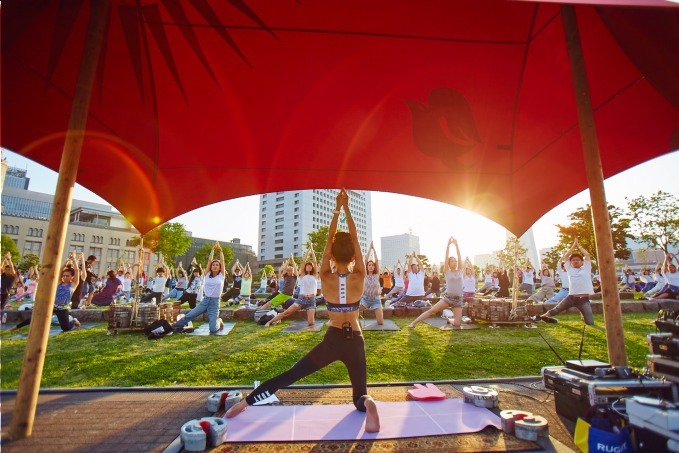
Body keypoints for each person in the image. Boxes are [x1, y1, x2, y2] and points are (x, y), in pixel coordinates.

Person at [227, 189, 380, 433]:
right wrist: (347, 209)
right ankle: (368, 403)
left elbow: (331, 238)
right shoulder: (360, 275)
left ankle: (244, 403)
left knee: (290, 375)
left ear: (332, 255)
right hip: (355, 340)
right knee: (359, 395)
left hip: (333, 339)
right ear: (353, 256)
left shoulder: (325, 276)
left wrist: (336, 210)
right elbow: (354, 236)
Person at [409, 237, 464, 328]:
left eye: (455, 261)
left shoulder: (460, 271)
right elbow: (446, 257)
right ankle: (413, 323)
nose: (454, 262)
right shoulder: (447, 271)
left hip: (458, 299)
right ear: (448, 263)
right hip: (448, 298)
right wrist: (448, 245)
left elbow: (459, 255)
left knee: (457, 324)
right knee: (432, 311)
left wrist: (456, 244)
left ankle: (449, 319)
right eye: (452, 261)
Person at [172, 242, 225, 334]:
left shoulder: (221, 275)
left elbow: (222, 261)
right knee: (190, 315)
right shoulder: (207, 274)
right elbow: (209, 261)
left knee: (213, 330)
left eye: (217, 265)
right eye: (213, 265)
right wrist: (212, 250)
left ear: (220, 268)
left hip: (215, 302)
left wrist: (220, 250)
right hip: (205, 301)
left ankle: (218, 321)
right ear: (211, 267)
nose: (215, 266)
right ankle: (175, 326)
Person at [538, 239, 594, 325]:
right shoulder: (569, 269)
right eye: (573, 260)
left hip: (584, 299)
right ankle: (542, 317)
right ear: (570, 263)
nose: (575, 261)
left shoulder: (586, 268)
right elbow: (566, 256)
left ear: (582, 262)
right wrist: (573, 246)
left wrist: (578, 246)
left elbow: (587, 255)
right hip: (571, 297)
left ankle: (583, 315)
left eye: (577, 260)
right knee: (557, 309)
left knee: (590, 322)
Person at [265, 246, 318, 327]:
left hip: (311, 300)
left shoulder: (315, 275)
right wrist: (308, 250)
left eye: (310, 265)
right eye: (307, 265)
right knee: (286, 312)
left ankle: (273, 320)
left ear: (312, 267)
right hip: (301, 299)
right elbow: (303, 261)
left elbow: (315, 262)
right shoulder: (302, 275)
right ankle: (269, 322)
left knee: (311, 323)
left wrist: (312, 250)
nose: (308, 266)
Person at [359, 241, 384, 325]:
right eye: (369, 265)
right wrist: (370, 248)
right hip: (365, 299)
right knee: (353, 312)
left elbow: (376, 261)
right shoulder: (364, 274)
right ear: (367, 266)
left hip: (376, 300)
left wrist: (374, 249)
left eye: (372, 265)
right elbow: (365, 260)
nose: (371, 266)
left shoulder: (376, 275)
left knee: (380, 322)